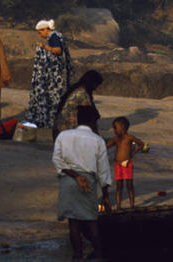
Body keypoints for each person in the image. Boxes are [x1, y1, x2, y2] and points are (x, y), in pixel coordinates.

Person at [52, 105, 112, 261]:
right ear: (93, 121)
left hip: (68, 180)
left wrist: (75, 175)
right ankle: (98, 254)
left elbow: (57, 160)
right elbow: (103, 171)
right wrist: (105, 195)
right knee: (91, 221)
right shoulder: (98, 140)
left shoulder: (63, 136)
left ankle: (77, 255)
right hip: (88, 182)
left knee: (73, 222)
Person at [26, 19, 74, 128]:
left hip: (57, 73)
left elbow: (57, 50)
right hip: (62, 71)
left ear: (46, 29)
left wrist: (44, 47)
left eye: (40, 32)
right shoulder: (58, 35)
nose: (40, 35)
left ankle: (53, 121)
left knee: (55, 97)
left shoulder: (53, 36)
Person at [106, 116, 145, 209]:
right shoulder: (116, 139)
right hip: (117, 164)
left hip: (127, 164)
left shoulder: (129, 138)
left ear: (122, 128)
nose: (114, 130)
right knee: (119, 186)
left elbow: (141, 144)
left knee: (129, 185)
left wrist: (133, 153)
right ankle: (118, 206)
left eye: (115, 128)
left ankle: (132, 205)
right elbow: (106, 146)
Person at [53, 70, 104, 140]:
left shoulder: (77, 89)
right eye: (96, 85)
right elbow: (91, 115)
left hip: (60, 130)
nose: (95, 88)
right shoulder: (81, 93)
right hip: (66, 131)